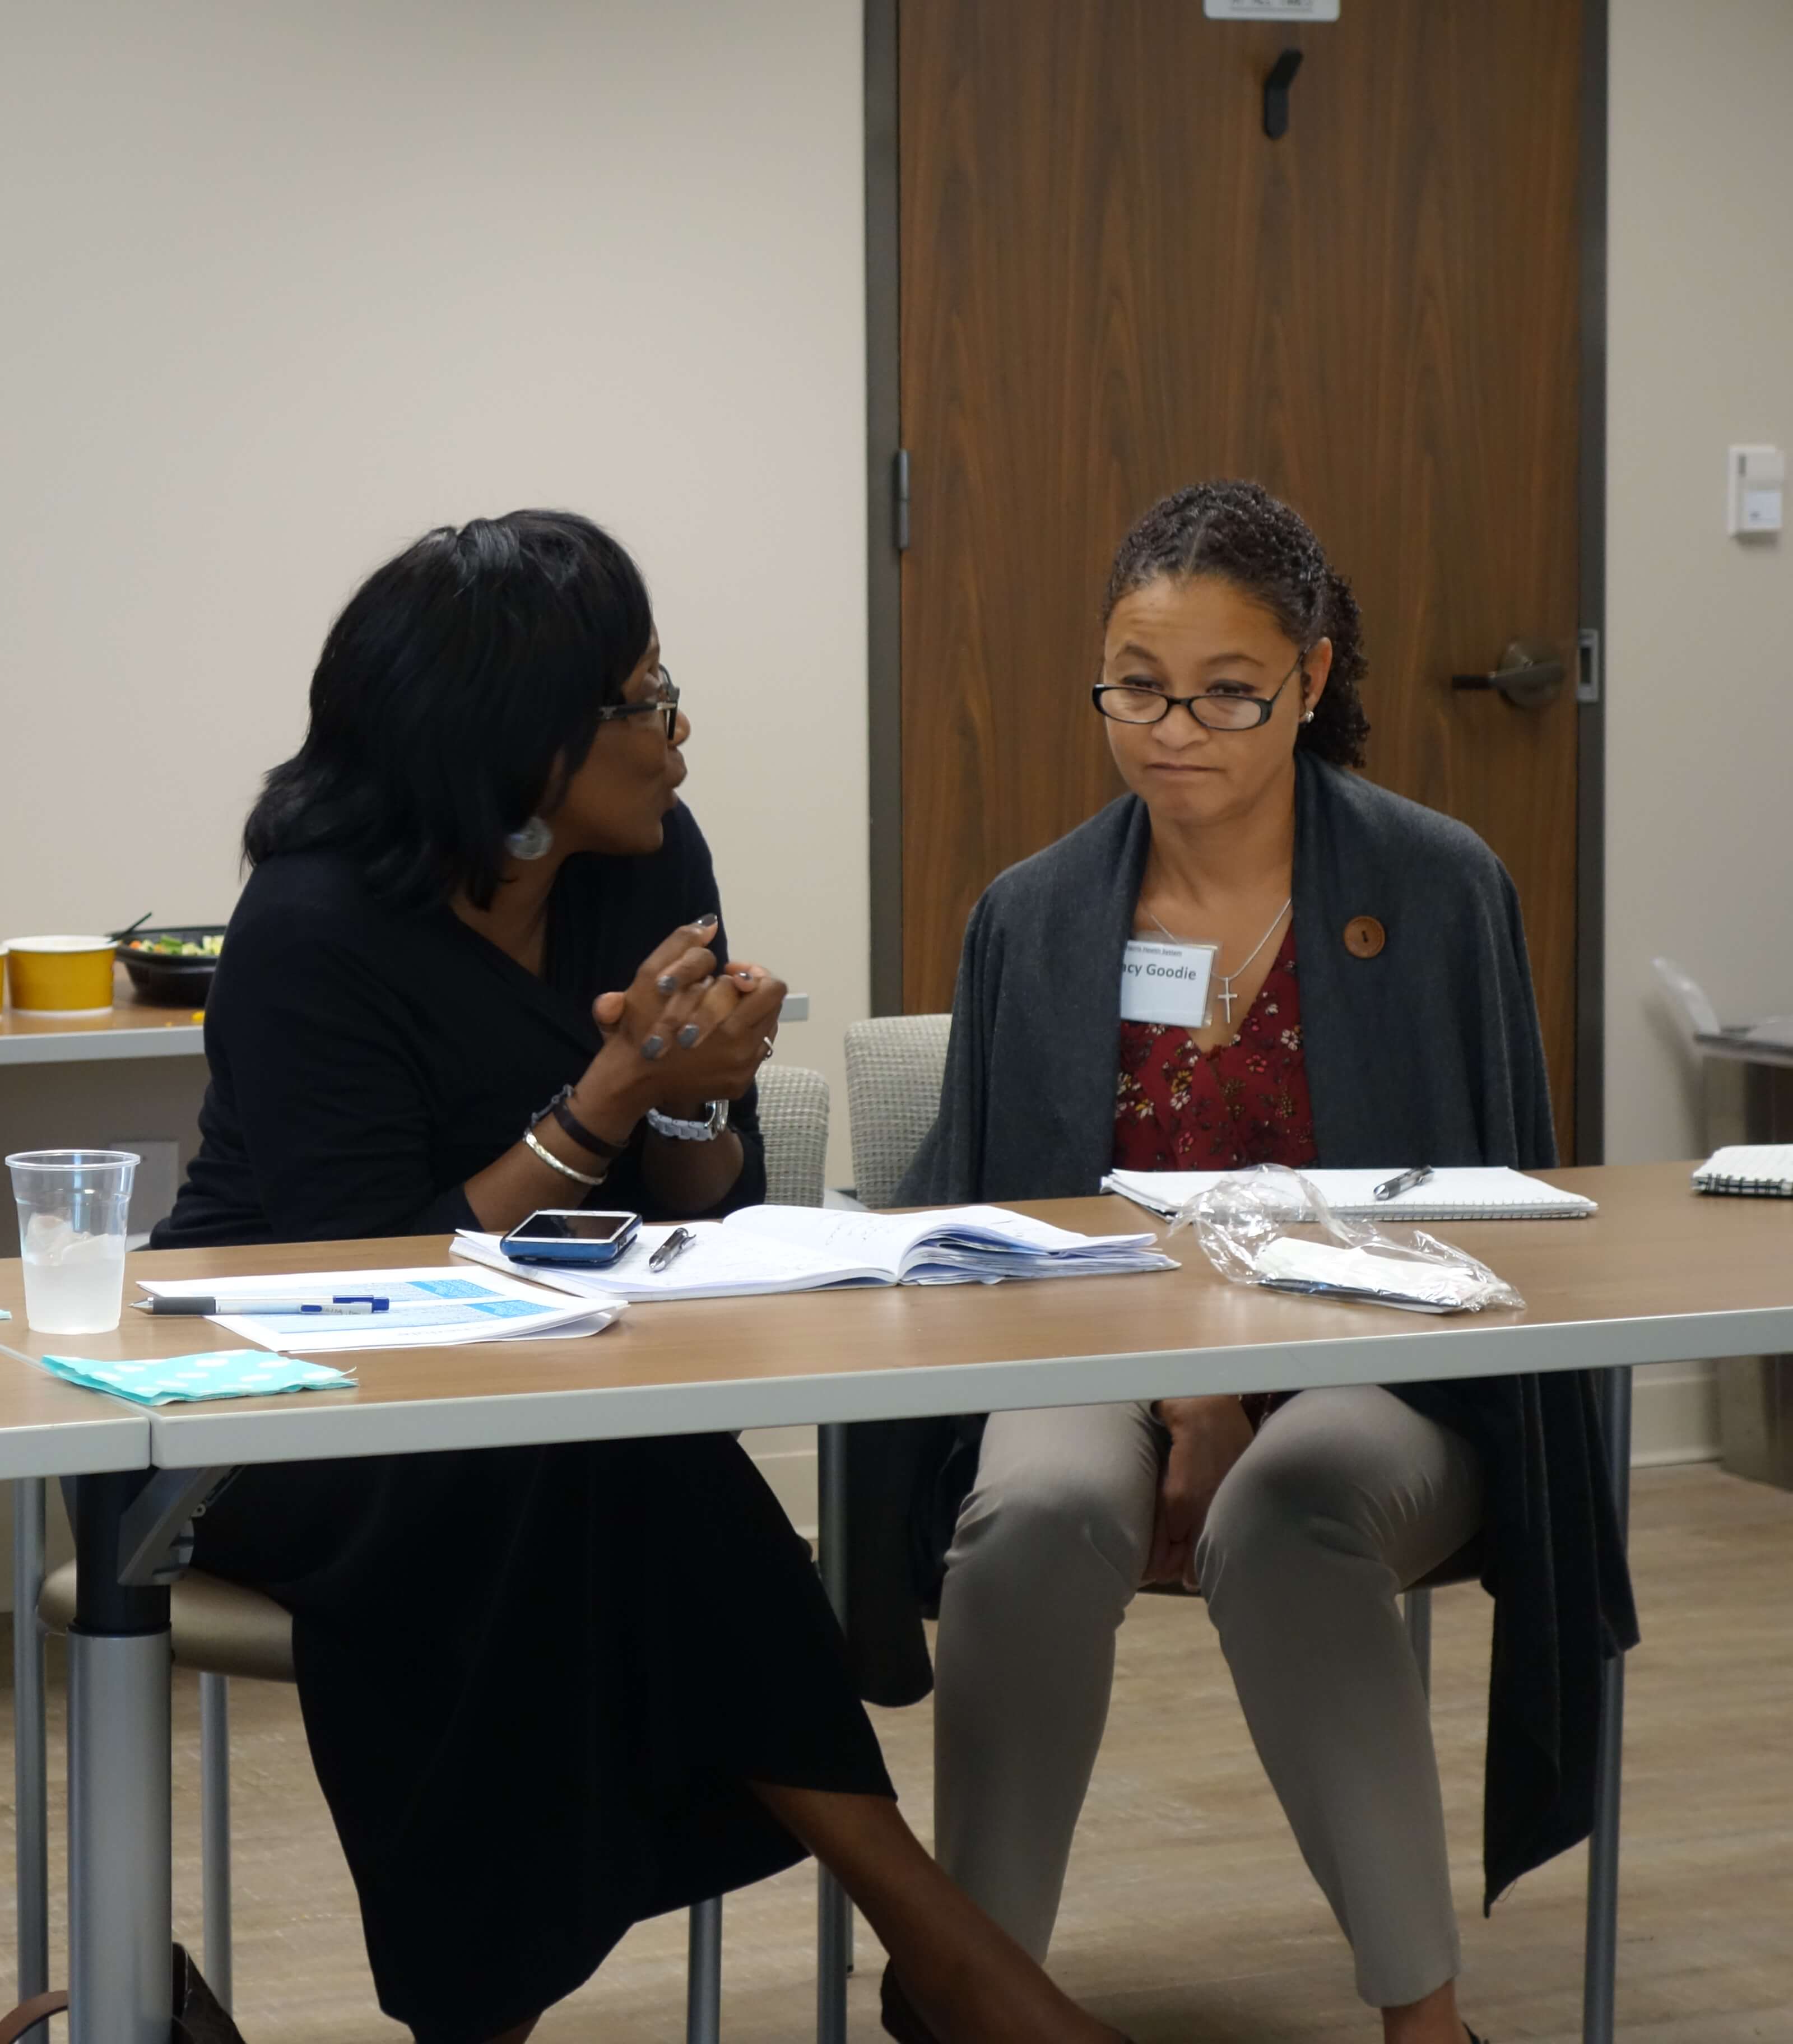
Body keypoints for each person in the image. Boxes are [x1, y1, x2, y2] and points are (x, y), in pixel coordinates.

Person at [154, 512, 1129, 2044]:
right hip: (273, 1405)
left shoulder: (650, 859)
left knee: (600, 1465)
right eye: (644, 700)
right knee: (597, 1477)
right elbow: (383, 1272)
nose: (678, 738)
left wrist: (690, 1099)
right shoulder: (310, 927)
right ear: (519, 735)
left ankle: (520, 2008)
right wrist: (606, 1098)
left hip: (546, 1402)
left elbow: (703, 1193)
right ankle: (947, 1954)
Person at [858, 481, 1636, 2044]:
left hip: (1379, 1369)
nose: (1175, 731)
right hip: (1104, 1357)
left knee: (1290, 1519)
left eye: (1227, 692)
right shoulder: (1035, 917)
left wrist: (1236, 1400)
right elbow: (1004, 1226)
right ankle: (979, 1994)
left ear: (1313, 676)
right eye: (1137, 688)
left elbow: (1491, 1213)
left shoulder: (1436, 889)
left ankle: (1425, 2020)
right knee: (1028, 1517)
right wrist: (1182, 1399)